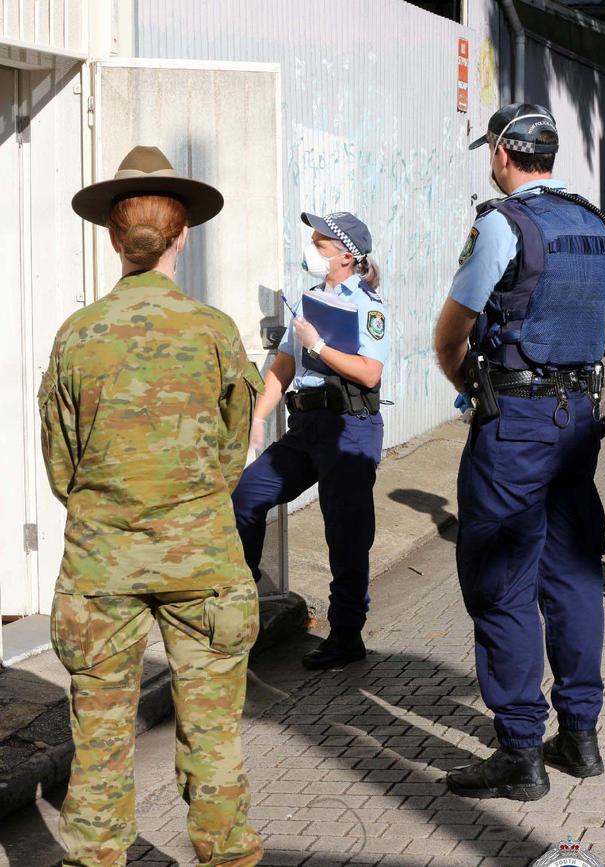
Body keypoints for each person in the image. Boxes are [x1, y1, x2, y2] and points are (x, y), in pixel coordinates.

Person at [39, 146, 264, 867]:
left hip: (101, 564)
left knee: (100, 741)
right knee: (213, 737)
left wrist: (114, 507)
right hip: (203, 558)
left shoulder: (78, 335)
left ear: (112, 235)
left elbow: (60, 466)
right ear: (183, 234)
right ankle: (225, 854)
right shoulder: (215, 331)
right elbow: (234, 456)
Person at [434, 104, 605, 800]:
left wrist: (475, 391)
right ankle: (581, 734)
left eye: (493, 149)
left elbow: (450, 333)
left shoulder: (501, 225)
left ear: (506, 154)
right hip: (579, 421)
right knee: (572, 574)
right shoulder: (595, 224)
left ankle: (519, 751)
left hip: (514, 425)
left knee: (502, 579)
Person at [232, 211, 388, 671]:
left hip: (349, 429)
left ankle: (346, 634)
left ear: (345, 255)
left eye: (319, 243)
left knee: (345, 533)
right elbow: (282, 366)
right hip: (305, 431)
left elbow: (370, 372)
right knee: (247, 495)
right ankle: (240, 613)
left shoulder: (368, 305)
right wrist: (258, 421)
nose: (311, 249)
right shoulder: (308, 301)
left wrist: (318, 346)